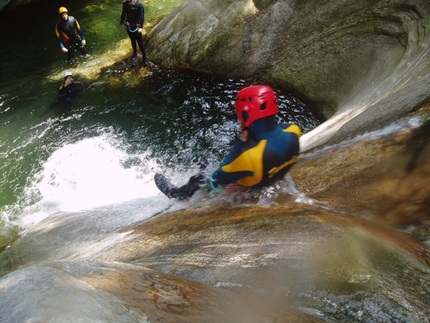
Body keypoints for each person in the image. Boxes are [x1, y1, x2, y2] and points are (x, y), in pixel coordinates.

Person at [154, 85, 302, 200]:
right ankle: (202, 170)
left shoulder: (249, 157)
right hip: (271, 176)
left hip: (248, 187)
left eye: (240, 114)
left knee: (201, 179)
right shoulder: (294, 130)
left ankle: (174, 194)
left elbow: (217, 178)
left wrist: (241, 140)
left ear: (247, 114)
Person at [120, 0, 148, 67]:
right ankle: (135, 52)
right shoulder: (125, 3)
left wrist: (140, 27)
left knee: (139, 42)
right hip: (129, 25)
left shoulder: (139, 4)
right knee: (132, 40)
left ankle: (145, 57)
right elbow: (124, 13)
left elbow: (141, 16)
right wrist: (121, 23)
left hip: (136, 25)